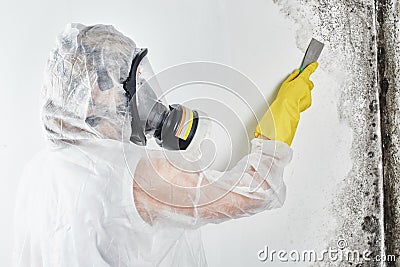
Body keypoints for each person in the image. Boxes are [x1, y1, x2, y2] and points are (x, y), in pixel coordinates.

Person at [13, 23, 318, 267]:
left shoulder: (35, 174)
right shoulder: (131, 175)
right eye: (128, 81)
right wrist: (280, 119)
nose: (141, 93)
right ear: (94, 91)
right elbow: (257, 190)